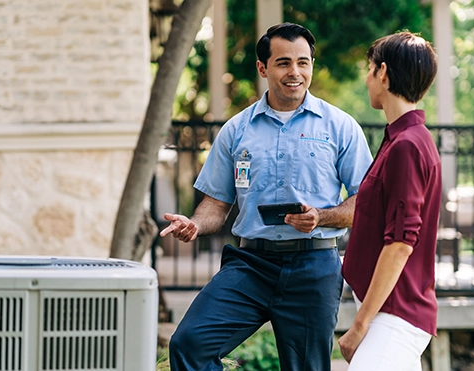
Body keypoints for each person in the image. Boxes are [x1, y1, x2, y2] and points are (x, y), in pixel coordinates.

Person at [160, 22, 373, 371]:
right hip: (250, 266)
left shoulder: (340, 127)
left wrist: (321, 216)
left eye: (303, 62)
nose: (295, 72)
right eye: (284, 62)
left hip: (314, 267)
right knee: (189, 345)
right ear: (263, 68)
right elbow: (216, 204)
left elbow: (365, 202)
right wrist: (195, 224)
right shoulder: (236, 130)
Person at [339, 31, 441, 371]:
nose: (367, 78)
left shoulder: (408, 146)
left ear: (383, 73)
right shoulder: (401, 139)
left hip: (395, 315)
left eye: (369, 69)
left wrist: (359, 326)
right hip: (390, 312)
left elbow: (400, 244)